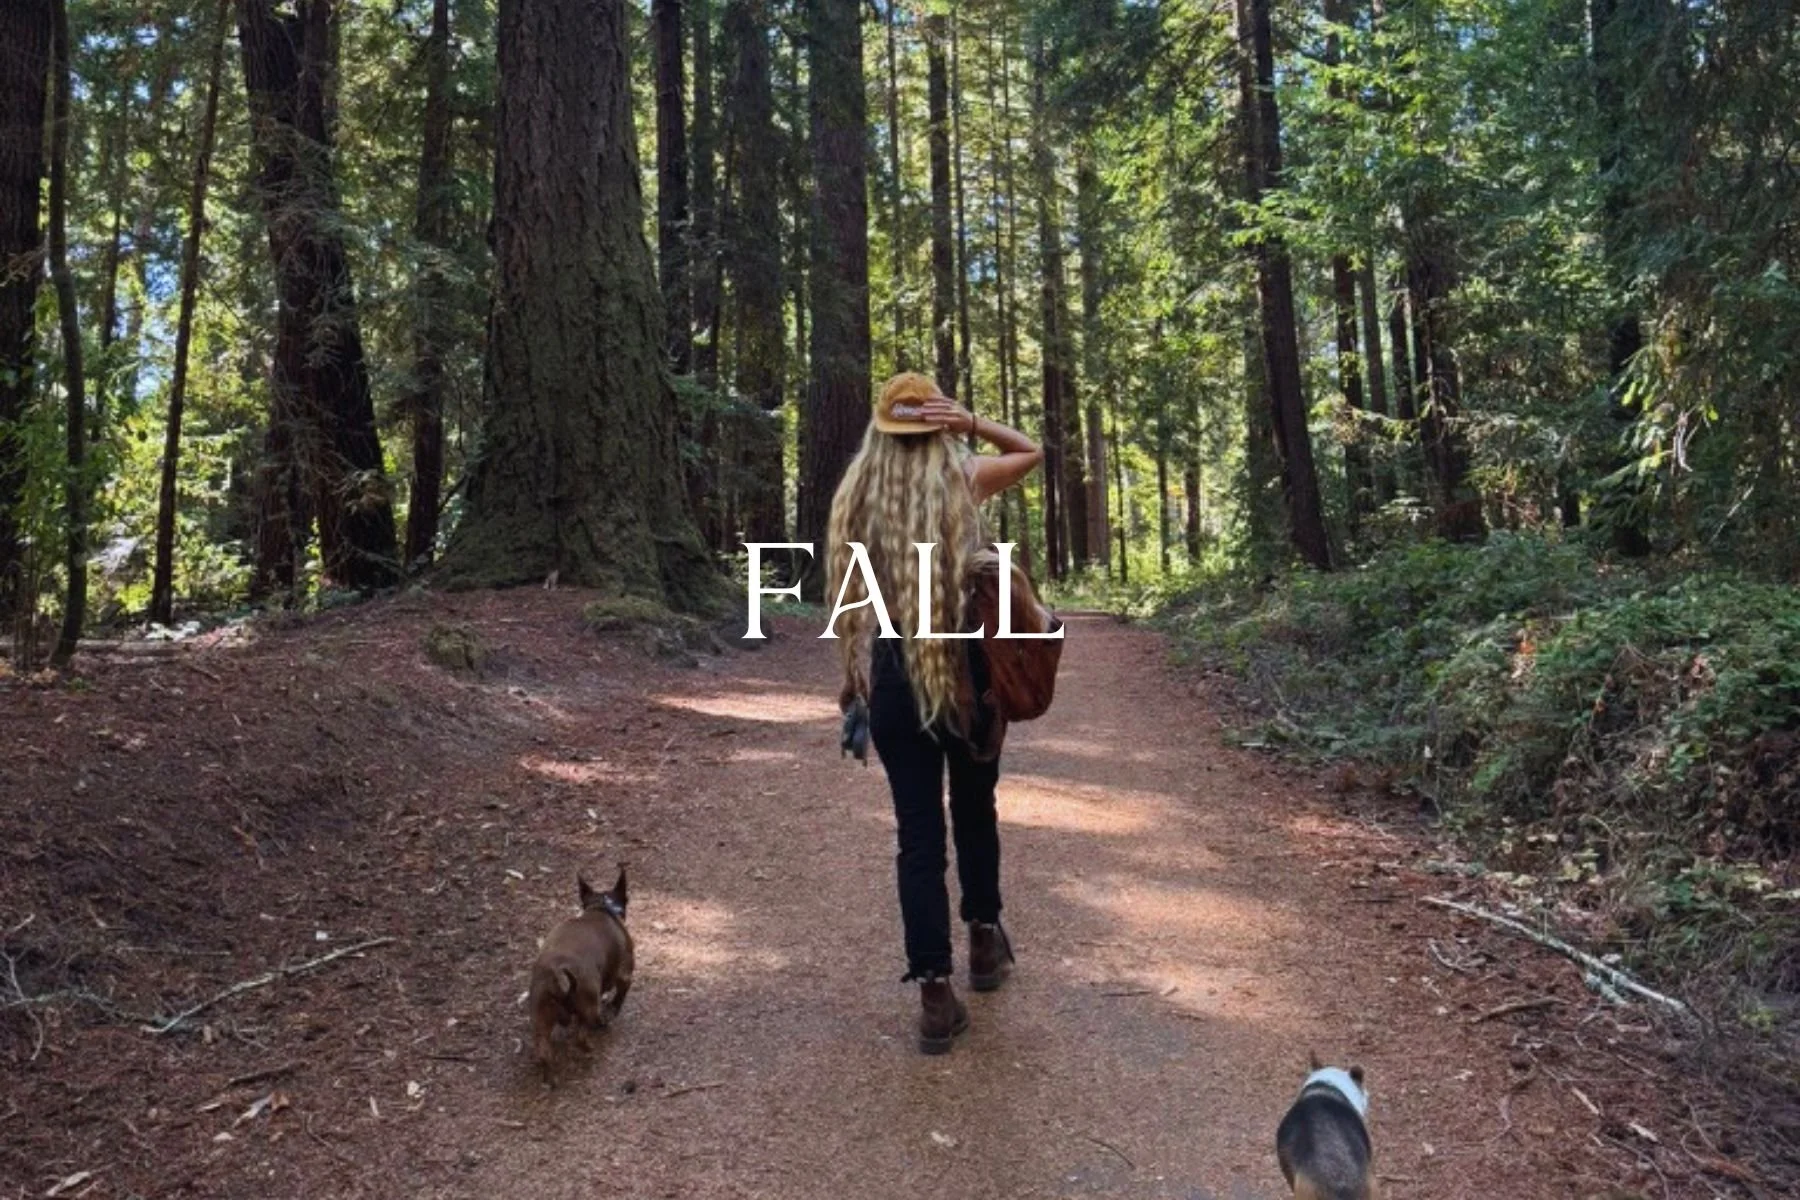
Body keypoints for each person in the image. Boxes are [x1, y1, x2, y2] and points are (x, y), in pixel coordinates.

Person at [826, 371, 1044, 1054]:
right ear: (936, 427)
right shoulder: (962, 478)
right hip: (966, 674)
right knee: (975, 811)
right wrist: (972, 424)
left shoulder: (856, 496)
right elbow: (1032, 452)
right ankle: (983, 944)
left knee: (918, 840)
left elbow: (850, 603)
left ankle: (934, 997)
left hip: (896, 676)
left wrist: (853, 678)